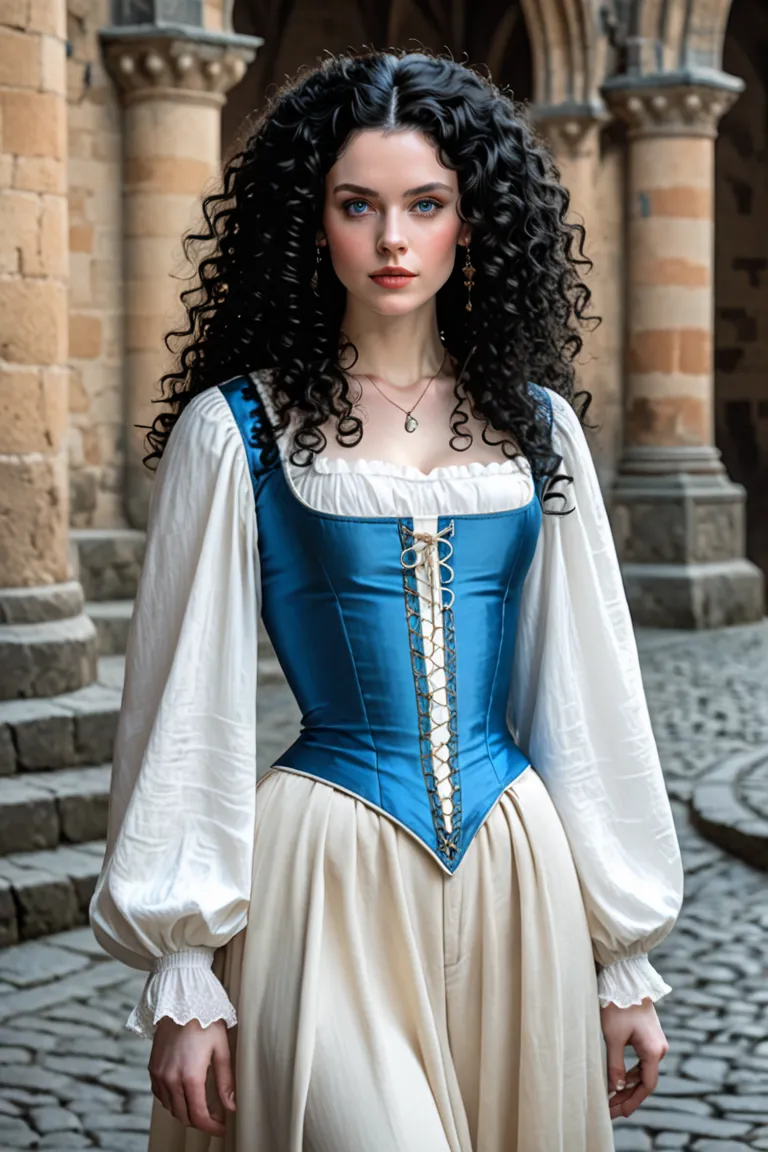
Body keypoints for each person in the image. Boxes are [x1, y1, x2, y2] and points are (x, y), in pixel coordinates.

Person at [89, 47, 684, 1152]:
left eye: (426, 203)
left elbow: (589, 699)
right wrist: (182, 963)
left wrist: (621, 957)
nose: (393, 239)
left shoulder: (537, 430)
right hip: (324, 878)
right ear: (313, 222)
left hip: (517, 875)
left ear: (475, 221)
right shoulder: (239, 432)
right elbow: (186, 700)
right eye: (358, 205)